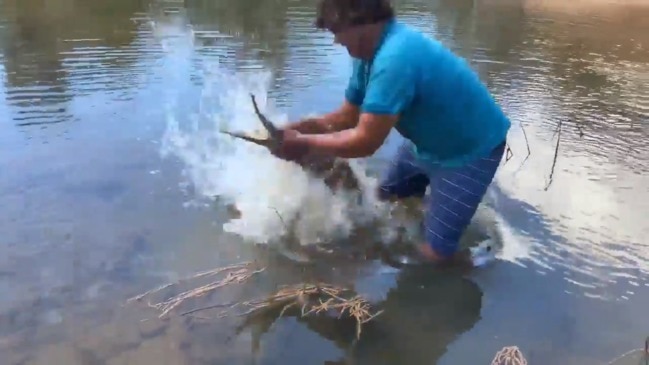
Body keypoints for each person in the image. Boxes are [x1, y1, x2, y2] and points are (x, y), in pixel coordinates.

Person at [271, 0, 511, 267]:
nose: (336, 41)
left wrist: (304, 144)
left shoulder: (395, 58)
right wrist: (299, 129)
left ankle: (476, 260)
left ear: (357, 21)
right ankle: (430, 207)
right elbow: (346, 117)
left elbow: (365, 142)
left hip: (469, 152)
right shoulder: (368, 54)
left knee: (433, 257)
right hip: (426, 143)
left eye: (337, 31)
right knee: (384, 200)